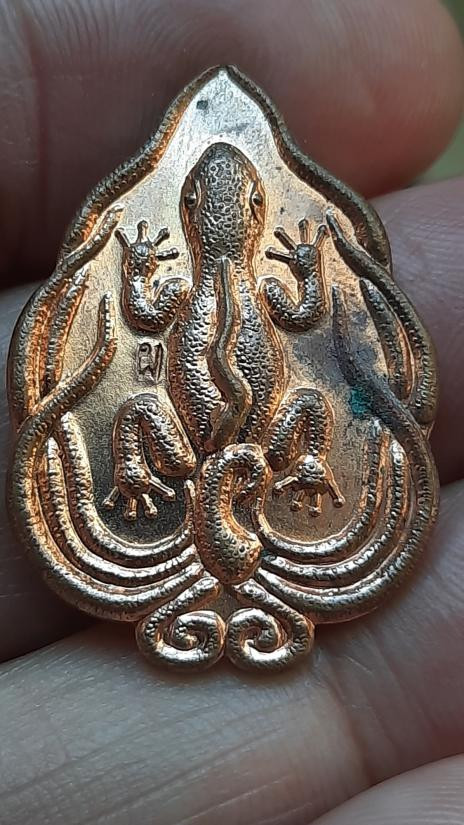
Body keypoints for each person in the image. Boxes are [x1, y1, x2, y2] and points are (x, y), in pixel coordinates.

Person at [0, 1, 463, 822]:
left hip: (210, 452)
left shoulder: (195, 288)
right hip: (240, 451)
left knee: (149, 421)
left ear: (205, 221)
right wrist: (306, 266)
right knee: (295, 409)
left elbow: (147, 311)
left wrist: (144, 271)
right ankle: (289, 459)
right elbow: (289, 309)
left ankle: (180, 467)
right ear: (245, 218)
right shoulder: (251, 289)